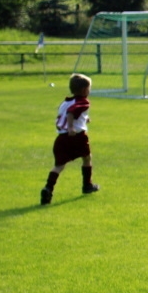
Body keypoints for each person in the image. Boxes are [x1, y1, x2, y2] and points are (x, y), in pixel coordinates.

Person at [41, 73, 99, 204]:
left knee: (59, 166)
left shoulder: (66, 101)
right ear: (85, 90)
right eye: (89, 88)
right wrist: (72, 127)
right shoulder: (83, 102)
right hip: (77, 137)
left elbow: (68, 112)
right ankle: (87, 185)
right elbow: (71, 112)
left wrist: (84, 119)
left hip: (61, 138)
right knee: (87, 158)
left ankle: (48, 188)